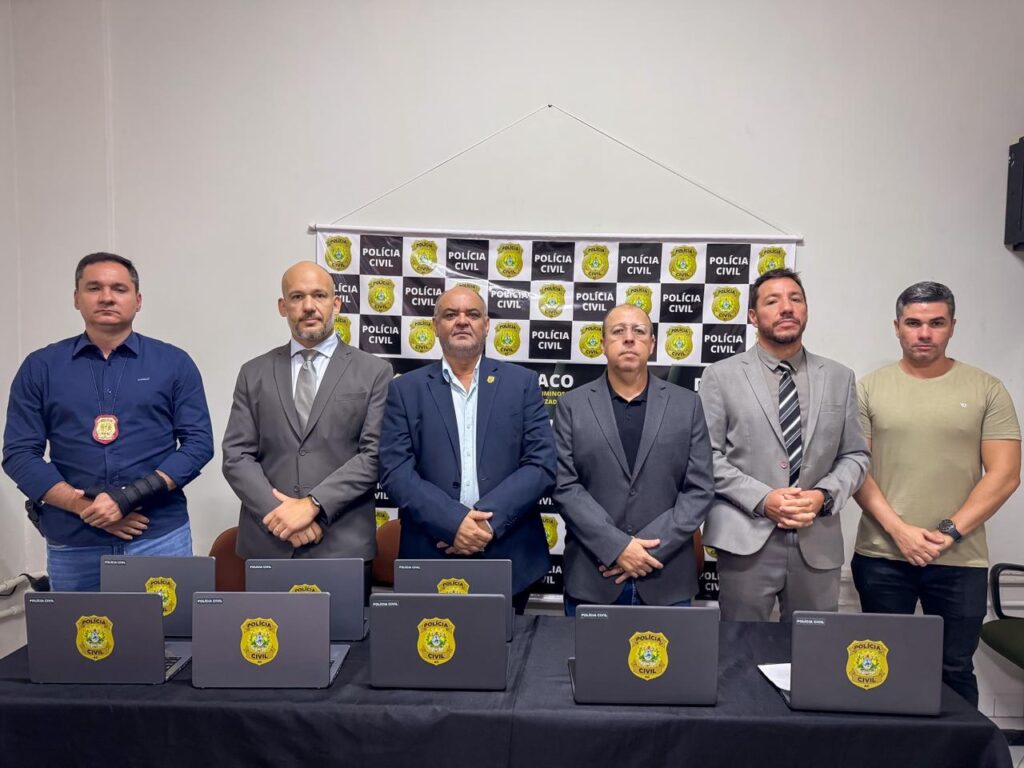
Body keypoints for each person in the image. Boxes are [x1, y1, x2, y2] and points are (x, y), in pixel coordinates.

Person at [852, 281, 1020, 707]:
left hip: (960, 559)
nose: (924, 333)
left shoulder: (987, 389)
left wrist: (947, 532)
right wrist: (900, 532)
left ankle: (961, 746)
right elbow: (856, 469)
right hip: (882, 557)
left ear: (952, 327)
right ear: (897, 327)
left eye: (936, 323)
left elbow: (1005, 475)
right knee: (878, 670)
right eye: (913, 323)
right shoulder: (867, 389)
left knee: (954, 669)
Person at [2, 252, 214, 591]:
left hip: (157, 537)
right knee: (77, 628)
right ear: (76, 298)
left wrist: (126, 498)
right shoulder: (40, 367)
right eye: (94, 288)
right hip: (74, 541)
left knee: (168, 627)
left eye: (119, 288)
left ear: (138, 300)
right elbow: (19, 454)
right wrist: (86, 508)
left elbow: (199, 445)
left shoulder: (174, 363)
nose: (106, 297)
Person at [699, 268, 868, 621]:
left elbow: (855, 455)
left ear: (806, 310)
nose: (786, 308)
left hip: (817, 542)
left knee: (815, 646)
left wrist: (822, 496)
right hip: (746, 541)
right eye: (772, 301)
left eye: (795, 299)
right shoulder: (721, 376)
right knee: (740, 647)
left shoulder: (839, 377)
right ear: (752, 316)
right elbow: (706, 456)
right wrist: (764, 499)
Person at [379, 286, 554, 613]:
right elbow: (395, 471)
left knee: (506, 646)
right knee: (431, 643)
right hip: (430, 552)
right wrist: (453, 522)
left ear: (486, 326)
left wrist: (485, 524)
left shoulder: (522, 383)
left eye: (472, 314)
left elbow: (541, 465)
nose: (462, 321)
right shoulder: (405, 389)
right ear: (435, 326)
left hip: (509, 552)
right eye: (450, 314)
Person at [222, 261, 392, 586]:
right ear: (282, 306)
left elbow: (374, 455)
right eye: (297, 297)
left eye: (319, 295)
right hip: (269, 543)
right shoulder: (253, 373)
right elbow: (236, 456)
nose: (309, 306)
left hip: (342, 546)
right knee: (267, 623)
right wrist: (281, 516)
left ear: (336, 304)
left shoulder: (374, 372)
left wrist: (313, 505)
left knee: (345, 624)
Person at [553, 303, 714, 615]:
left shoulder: (687, 405)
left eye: (639, 331)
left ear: (651, 344)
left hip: (666, 577)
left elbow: (700, 489)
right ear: (603, 344)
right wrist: (618, 546)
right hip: (593, 577)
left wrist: (647, 548)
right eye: (618, 331)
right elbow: (564, 487)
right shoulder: (571, 406)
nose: (629, 338)